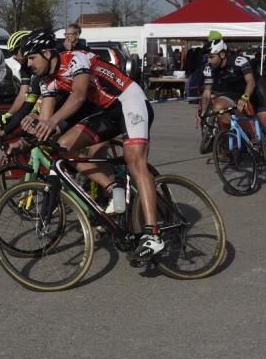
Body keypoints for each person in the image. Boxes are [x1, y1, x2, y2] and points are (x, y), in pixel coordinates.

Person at [22, 30, 162, 267]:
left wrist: (52, 122)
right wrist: (31, 130)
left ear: (47, 53)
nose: (28, 64)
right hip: (108, 112)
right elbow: (47, 121)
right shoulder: (48, 81)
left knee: (134, 162)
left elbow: (77, 97)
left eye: (32, 58)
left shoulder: (75, 58)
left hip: (130, 101)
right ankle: (113, 187)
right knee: (62, 147)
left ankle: (153, 235)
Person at [199, 37, 266, 155]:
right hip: (234, 91)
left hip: (255, 88)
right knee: (217, 108)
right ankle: (239, 135)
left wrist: (244, 98)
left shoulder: (239, 61)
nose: (209, 61)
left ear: (222, 54)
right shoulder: (209, 68)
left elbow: (251, 82)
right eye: (207, 57)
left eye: (211, 57)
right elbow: (207, 92)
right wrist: (203, 112)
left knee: (264, 120)